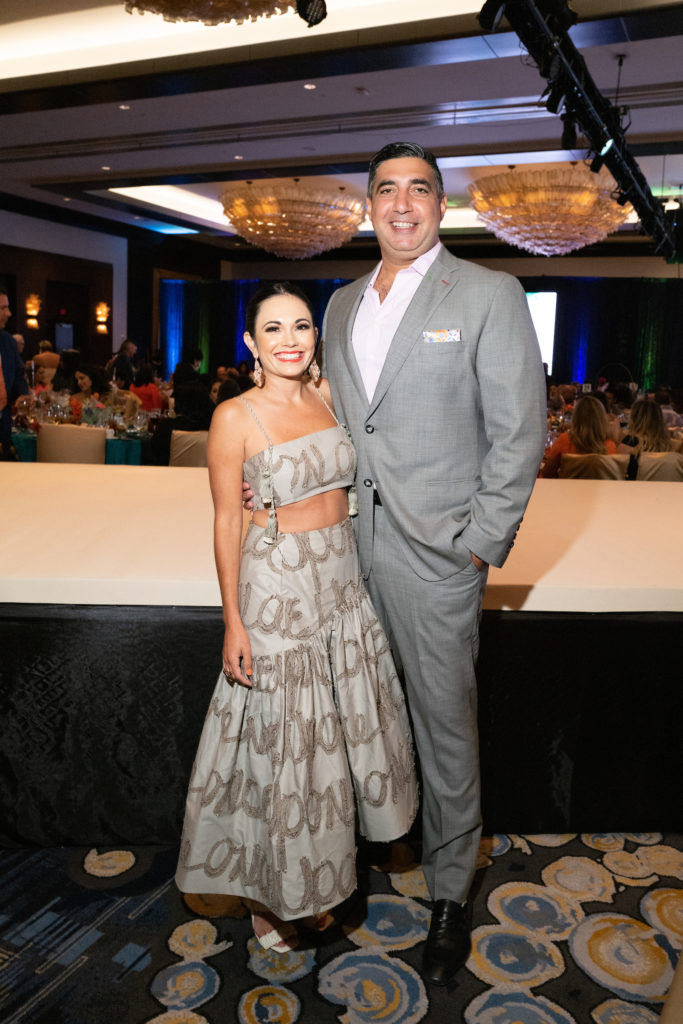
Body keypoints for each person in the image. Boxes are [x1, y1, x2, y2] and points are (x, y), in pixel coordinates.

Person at [320, 142, 547, 985]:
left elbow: (519, 430)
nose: (403, 203)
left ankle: (450, 889)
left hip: (437, 555)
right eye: (387, 189)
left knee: (444, 728)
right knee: (358, 714)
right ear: (369, 206)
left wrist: (479, 542)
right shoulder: (340, 304)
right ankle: (375, 845)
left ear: (439, 205)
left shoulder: (487, 293)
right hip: (343, 552)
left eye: (420, 189)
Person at [175, 282, 418, 953]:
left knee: (331, 748)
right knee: (282, 752)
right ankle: (270, 895)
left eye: (301, 326)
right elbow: (226, 520)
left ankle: (318, 877)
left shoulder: (332, 396)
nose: (289, 340)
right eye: (273, 329)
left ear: (316, 337)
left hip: (339, 580)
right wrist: (233, 621)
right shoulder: (234, 417)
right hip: (276, 583)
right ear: (250, 343)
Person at [542, 393, 618, 477]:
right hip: (598, 489)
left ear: (576, 417)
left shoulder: (564, 441)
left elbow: (547, 473)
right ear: (602, 419)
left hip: (567, 489)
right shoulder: (610, 446)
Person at [0, 288, 29, 459]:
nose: (9, 313)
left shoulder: (9, 342)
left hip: (3, 426)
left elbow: (18, 375)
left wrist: (22, 394)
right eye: (3, 308)